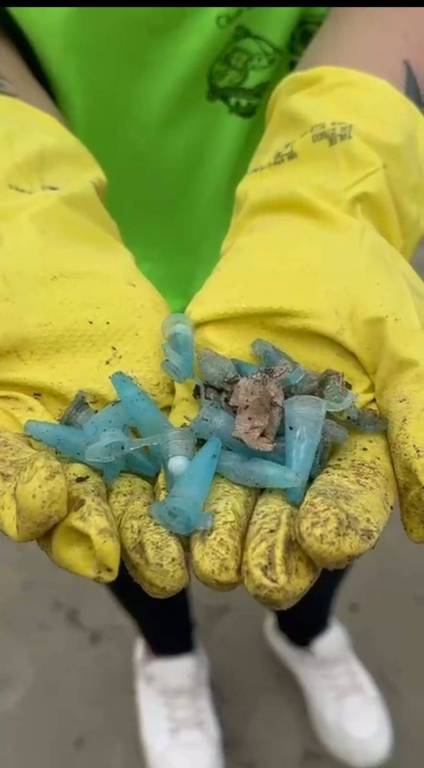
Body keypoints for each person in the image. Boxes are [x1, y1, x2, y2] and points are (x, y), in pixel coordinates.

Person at [0, 6, 423, 768]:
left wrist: (341, 182)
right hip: (84, 251)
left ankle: (306, 633)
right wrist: (14, 195)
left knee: (326, 503)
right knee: (107, 520)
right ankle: (169, 658)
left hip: (308, 259)